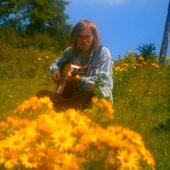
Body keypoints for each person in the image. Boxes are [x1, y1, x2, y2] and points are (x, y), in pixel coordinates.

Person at [50, 19, 113, 108]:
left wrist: (80, 80)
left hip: (99, 100)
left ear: (94, 37)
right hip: (73, 97)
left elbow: (102, 83)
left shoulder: (103, 52)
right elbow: (56, 63)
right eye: (80, 37)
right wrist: (55, 71)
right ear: (75, 37)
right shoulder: (71, 51)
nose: (84, 41)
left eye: (87, 37)